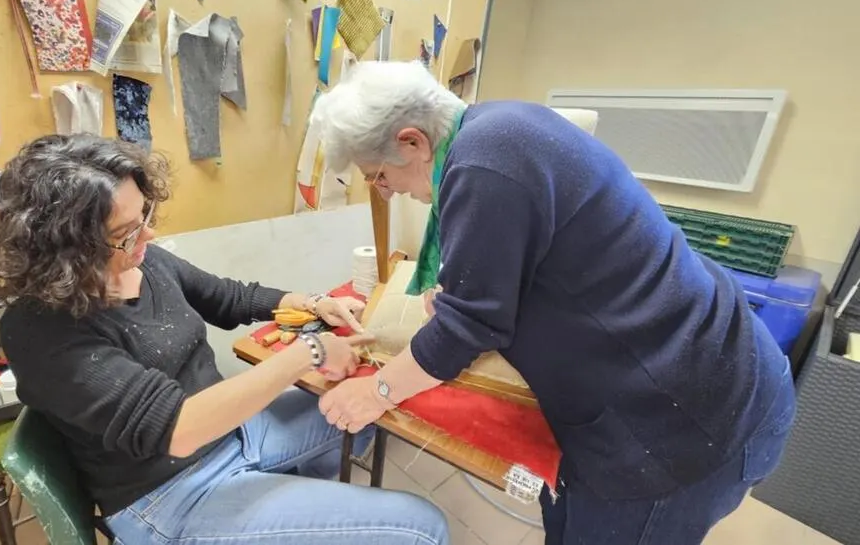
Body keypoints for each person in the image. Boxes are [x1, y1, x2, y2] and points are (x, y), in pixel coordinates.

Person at [309, 60, 796, 545]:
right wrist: (467, 296)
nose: (386, 191)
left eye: (378, 176)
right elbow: (523, 271)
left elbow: (467, 329)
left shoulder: (483, 164)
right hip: (685, 375)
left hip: (685, 418)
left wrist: (376, 392)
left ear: (412, 142)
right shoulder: (496, 128)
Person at [0, 134, 449, 545]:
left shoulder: (144, 262)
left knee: (369, 407)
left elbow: (227, 297)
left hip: (232, 434)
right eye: (126, 232)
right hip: (169, 494)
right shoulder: (41, 331)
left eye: (145, 215)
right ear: (66, 248)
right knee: (423, 528)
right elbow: (180, 429)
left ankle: (291, 507)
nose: (148, 234)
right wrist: (312, 350)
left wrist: (312, 302)